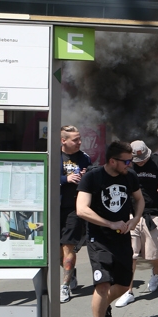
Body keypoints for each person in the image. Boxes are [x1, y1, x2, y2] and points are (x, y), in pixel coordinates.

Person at [76, 141, 143, 317]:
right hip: (99, 239)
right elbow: (81, 209)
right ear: (112, 161)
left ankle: (104, 306)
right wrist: (109, 223)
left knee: (123, 284)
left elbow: (140, 200)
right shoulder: (92, 177)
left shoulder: (129, 177)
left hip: (121, 238)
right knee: (103, 283)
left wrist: (135, 219)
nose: (129, 165)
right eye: (126, 161)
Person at [115, 140, 158, 307]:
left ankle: (156, 273)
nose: (140, 163)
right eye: (137, 161)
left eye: (143, 160)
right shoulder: (126, 164)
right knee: (132, 254)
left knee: (155, 253)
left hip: (153, 214)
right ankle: (128, 291)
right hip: (130, 214)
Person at [58, 125, 91, 303]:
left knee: (68, 245)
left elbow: (92, 177)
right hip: (55, 207)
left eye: (79, 139)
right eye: (75, 140)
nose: (79, 142)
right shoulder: (53, 155)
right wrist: (65, 179)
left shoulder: (84, 157)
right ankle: (71, 273)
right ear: (63, 141)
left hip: (74, 208)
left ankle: (64, 285)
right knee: (56, 251)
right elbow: (43, 176)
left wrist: (87, 175)